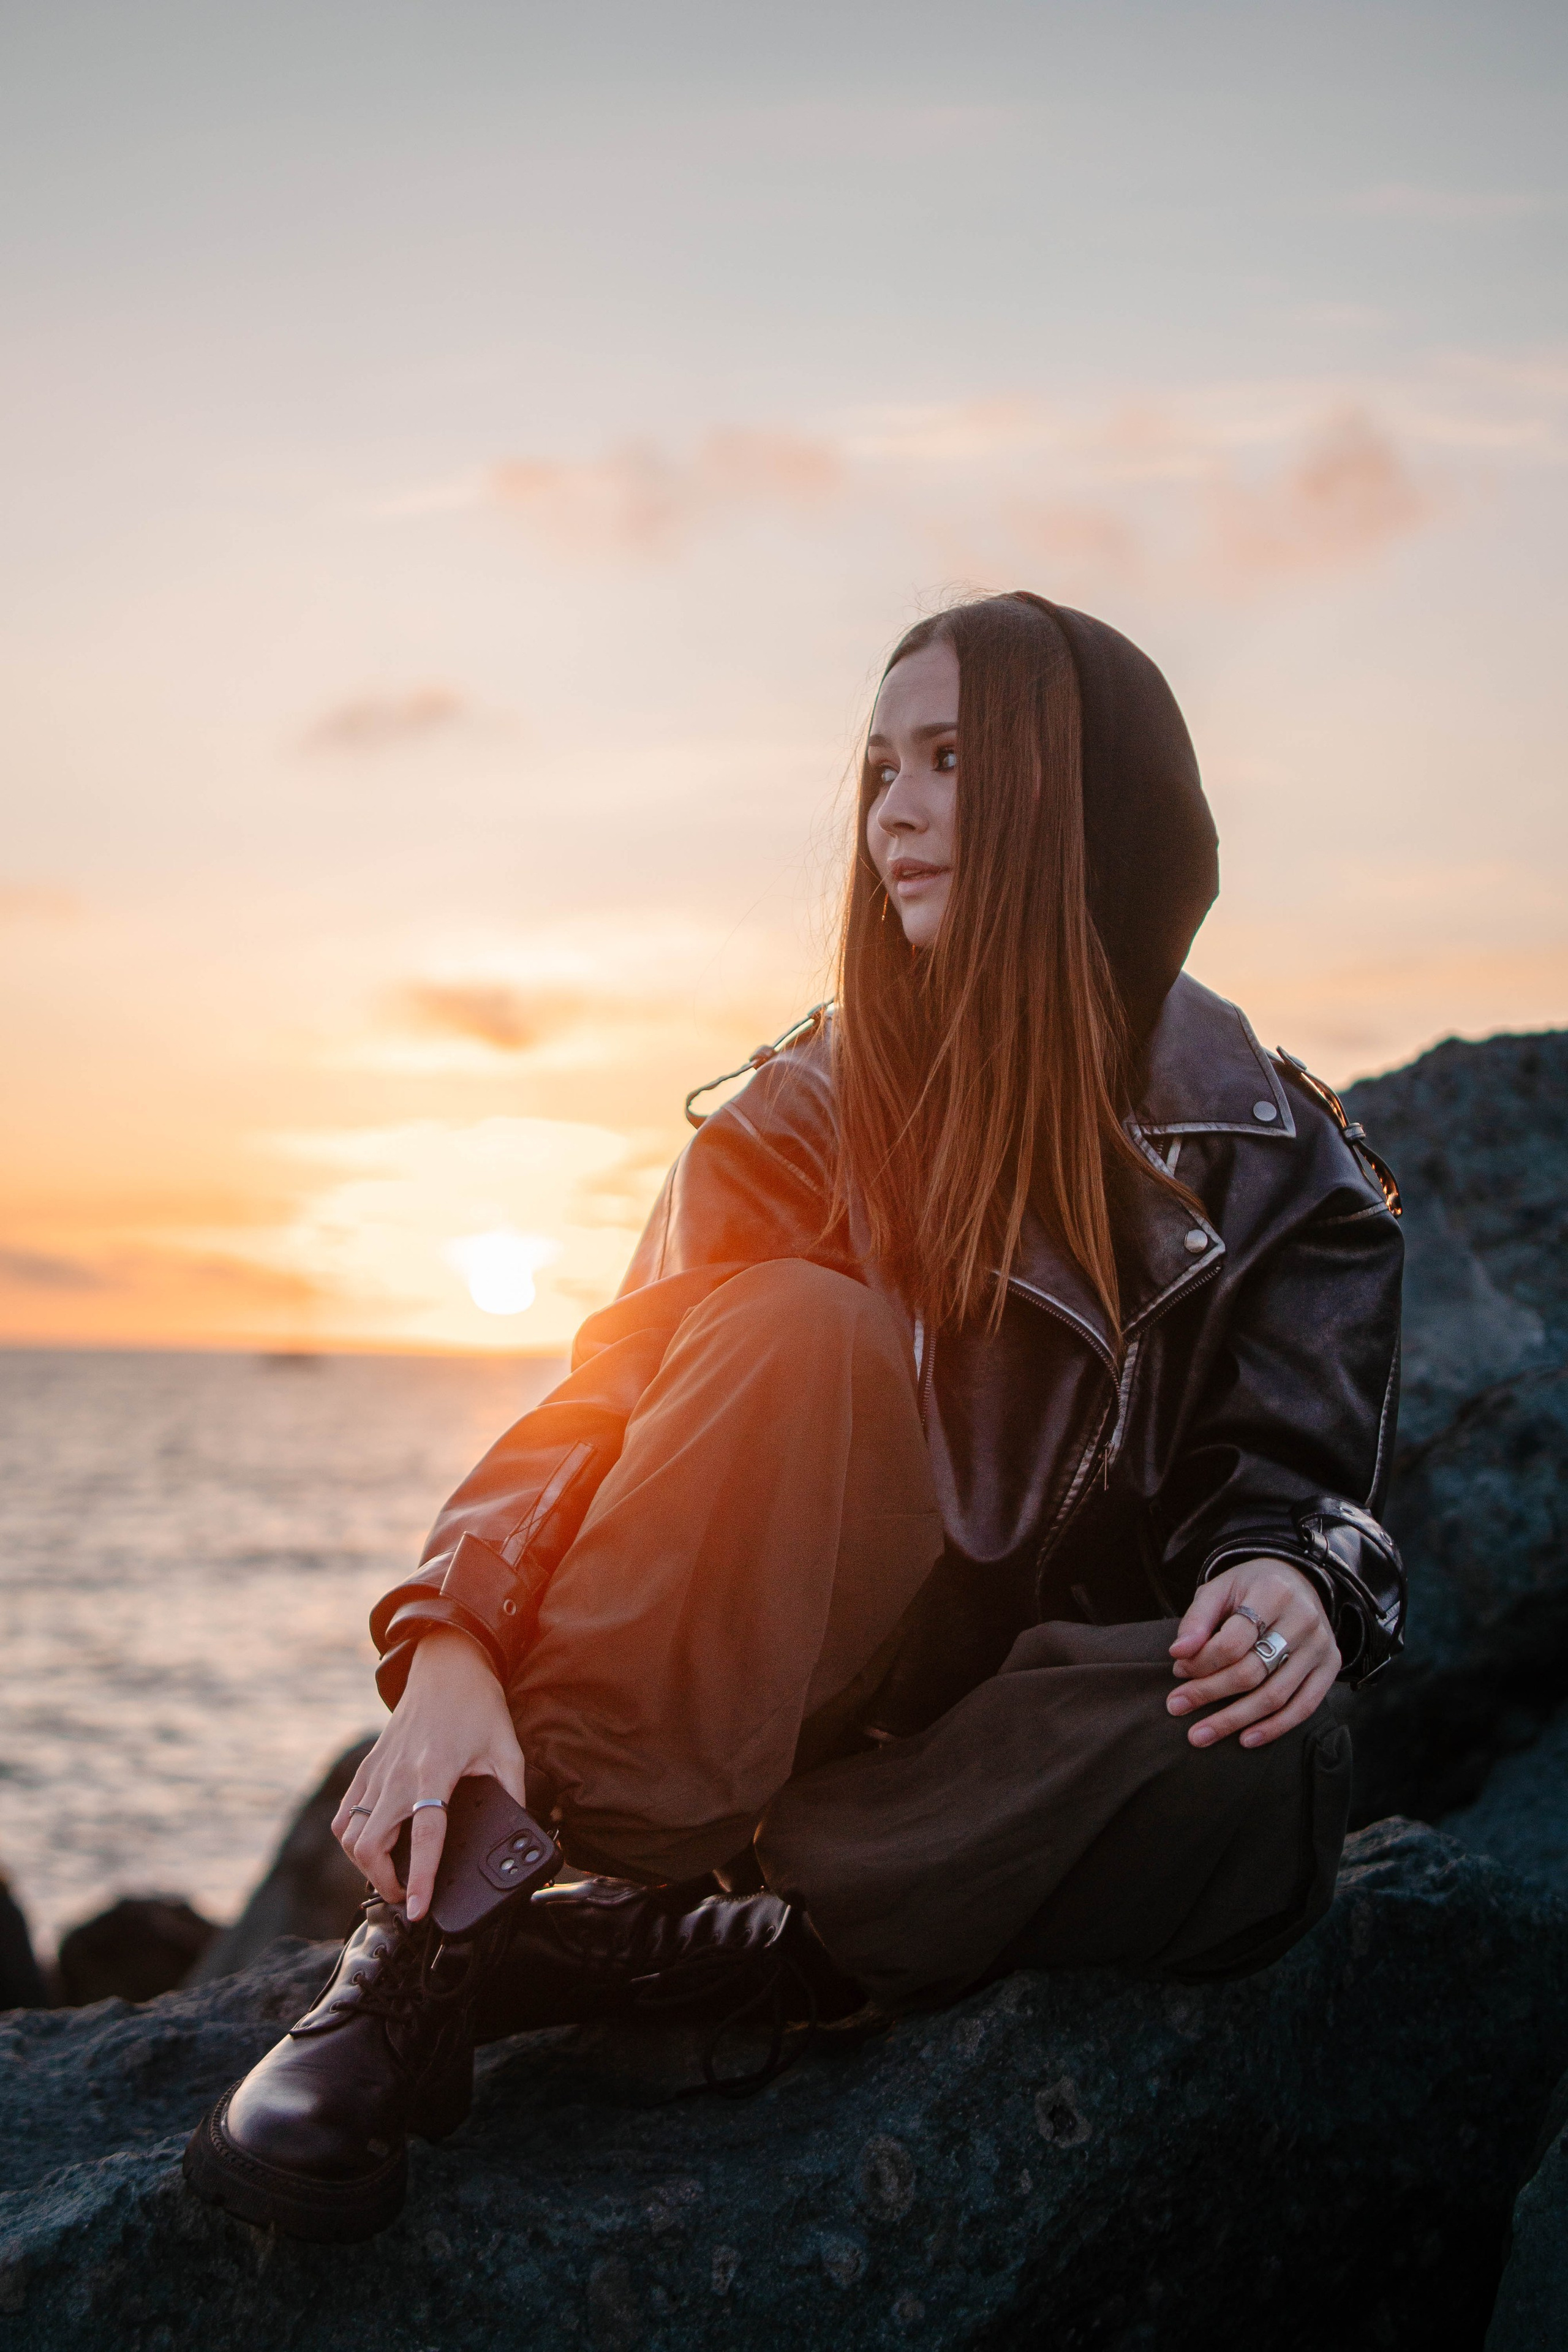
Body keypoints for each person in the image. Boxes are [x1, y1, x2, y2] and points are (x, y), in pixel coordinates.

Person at [184, 592, 1405, 2243]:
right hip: (741, 1718)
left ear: (1083, 795)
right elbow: (602, 1405)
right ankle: (425, 1955)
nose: (892, 811)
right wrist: (453, 1651)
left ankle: (726, 1946)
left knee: (1273, 1749)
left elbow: (1301, 1477)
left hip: (1000, 1760)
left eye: (952, 760)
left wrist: (1291, 1579)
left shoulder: (1282, 1164)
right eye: (878, 769)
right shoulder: (795, 1117)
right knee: (793, 1330)